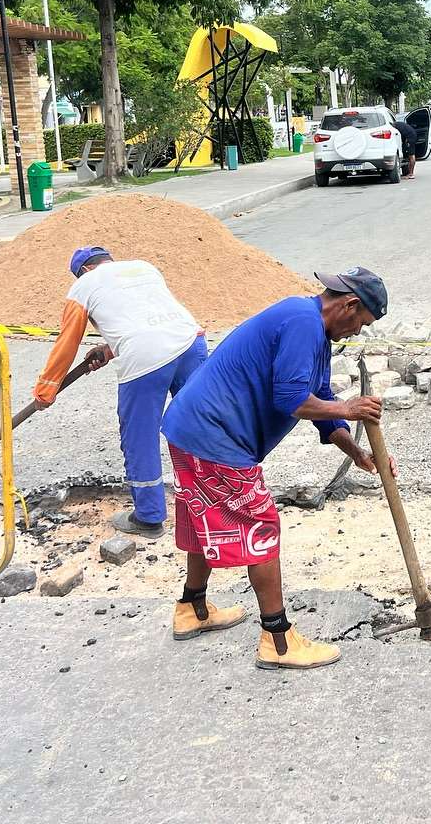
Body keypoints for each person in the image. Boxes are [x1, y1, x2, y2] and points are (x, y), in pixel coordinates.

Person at [160, 267, 393, 669]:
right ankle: (278, 641)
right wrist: (349, 408)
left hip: (192, 428)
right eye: (361, 323)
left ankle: (191, 609)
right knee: (260, 526)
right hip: (215, 437)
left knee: (204, 519)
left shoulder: (310, 327)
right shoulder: (303, 323)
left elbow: (317, 395)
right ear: (349, 305)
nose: (357, 332)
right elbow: (290, 399)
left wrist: (355, 451)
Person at [34, 247, 208, 539]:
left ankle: (149, 517)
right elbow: (148, 317)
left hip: (145, 359)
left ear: (84, 271)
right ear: (107, 262)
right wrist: (111, 348)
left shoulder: (83, 285)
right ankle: (214, 499)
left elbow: (67, 342)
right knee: (200, 425)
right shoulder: (143, 266)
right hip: (191, 342)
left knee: (140, 436)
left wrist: (46, 390)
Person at [392, 115, 417, 179]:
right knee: (409, 154)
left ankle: (411, 174)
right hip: (411, 134)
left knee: (411, 155)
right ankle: (409, 172)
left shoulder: (394, 128)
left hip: (410, 137)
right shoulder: (397, 124)